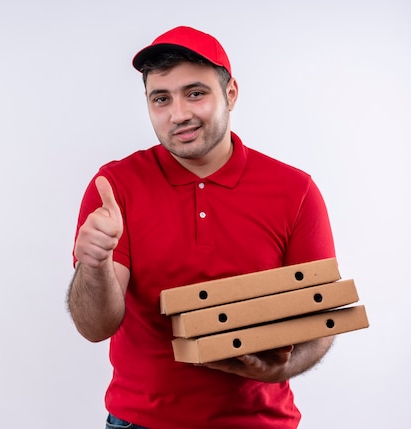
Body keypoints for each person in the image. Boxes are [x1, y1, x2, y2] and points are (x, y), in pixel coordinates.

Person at [67, 26, 336, 429]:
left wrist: (278, 371)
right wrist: (94, 264)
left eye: (195, 93)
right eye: (161, 99)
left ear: (230, 94)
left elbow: (320, 316)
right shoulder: (115, 186)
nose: (179, 114)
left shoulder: (294, 190)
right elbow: (96, 327)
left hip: (260, 423)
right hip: (140, 422)